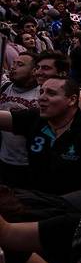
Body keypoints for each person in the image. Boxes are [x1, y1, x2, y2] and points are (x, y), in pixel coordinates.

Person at [0, 76, 81, 194]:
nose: (41, 98)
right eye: (41, 92)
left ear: (72, 99)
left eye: (51, 93)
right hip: (37, 202)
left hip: (74, 208)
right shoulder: (35, 119)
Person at [0, 52, 39, 188]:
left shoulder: (42, 94)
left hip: (29, 164)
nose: (13, 67)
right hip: (4, 160)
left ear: (34, 71)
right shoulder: (4, 88)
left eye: (20, 64)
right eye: (14, 63)